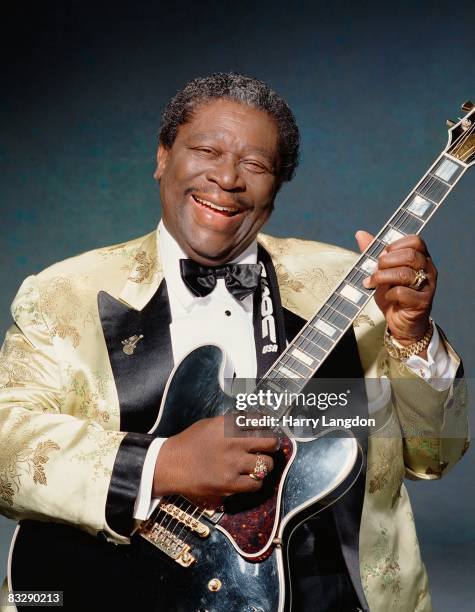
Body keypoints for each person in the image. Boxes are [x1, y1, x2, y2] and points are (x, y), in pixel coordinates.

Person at [0, 73, 468, 612]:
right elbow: (9, 446)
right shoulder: (62, 295)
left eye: (255, 165)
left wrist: (413, 335)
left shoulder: (351, 286)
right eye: (206, 150)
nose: (226, 178)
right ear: (162, 157)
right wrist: (165, 462)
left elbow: (437, 453)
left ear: (277, 186)